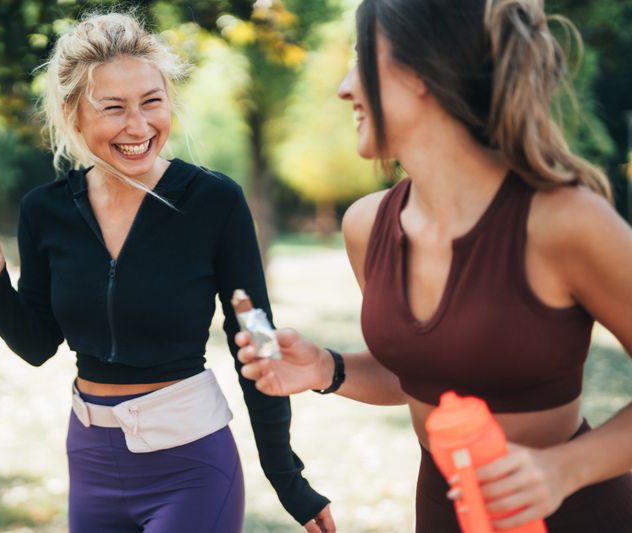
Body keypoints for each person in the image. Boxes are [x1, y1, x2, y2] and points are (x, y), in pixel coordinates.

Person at [236, 0, 632, 531]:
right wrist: (325, 368)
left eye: (362, 61)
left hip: (572, 514)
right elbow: (423, 374)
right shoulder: (367, 225)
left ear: (421, 72)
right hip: (440, 512)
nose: (345, 87)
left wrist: (561, 470)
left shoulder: (564, 220)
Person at [0, 12, 334, 533]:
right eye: (114, 108)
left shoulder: (214, 202)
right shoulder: (46, 210)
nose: (139, 126)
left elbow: (256, 340)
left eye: (152, 102)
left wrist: (288, 478)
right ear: (72, 113)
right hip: (90, 463)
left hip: (191, 465)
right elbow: (38, 344)